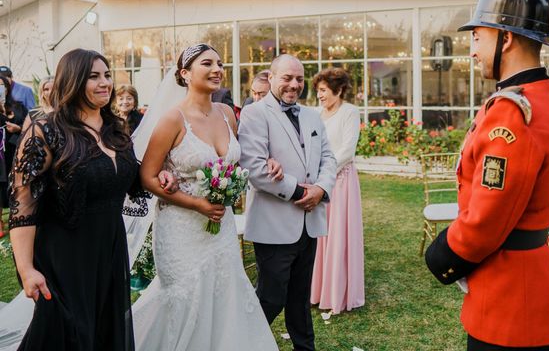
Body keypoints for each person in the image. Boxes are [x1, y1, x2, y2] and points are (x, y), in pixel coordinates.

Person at [425, 0, 549, 350]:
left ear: (505, 38)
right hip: (526, 289)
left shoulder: (514, 113)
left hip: (510, 302)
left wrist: (442, 255)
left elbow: (488, 218)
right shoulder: (541, 100)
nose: (472, 50)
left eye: (478, 36)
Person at [132, 43, 279, 350]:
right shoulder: (172, 119)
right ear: (185, 74)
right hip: (181, 228)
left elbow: (238, 161)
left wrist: (264, 164)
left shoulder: (227, 113)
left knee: (225, 295)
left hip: (219, 228)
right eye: (207, 64)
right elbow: (147, 176)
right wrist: (196, 202)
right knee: (186, 297)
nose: (217, 70)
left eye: (220, 64)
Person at [8, 48, 150, 350]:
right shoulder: (46, 130)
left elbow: (129, 180)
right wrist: (26, 268)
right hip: (65, 254)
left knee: (102, 333)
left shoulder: (115, 131)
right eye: (94, 76)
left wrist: (161, 175)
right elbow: (23, 207)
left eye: (107, 75)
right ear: (72, 80)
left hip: (109, 250)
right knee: (66, 335)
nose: (105, 83)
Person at [238, 54, 337, 351]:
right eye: (287, 78)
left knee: (299, 297)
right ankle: (242, 343)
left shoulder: (311, 115)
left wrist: (320, 189)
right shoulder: (255, 114)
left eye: (299, 79)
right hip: (274, 224)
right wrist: (300, 194)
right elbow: (256, 169)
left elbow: (329, 158)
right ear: (271, 77)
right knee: (271, 297)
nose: (294, 84)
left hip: (309, 224)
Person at [310, 67, 365, 314]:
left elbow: (347, 150)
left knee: (338, 235)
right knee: (320, 236)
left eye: (323, 90)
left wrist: (326, 174)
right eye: (318, 91)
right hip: (320, 180)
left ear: (338, 89)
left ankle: (338, 292)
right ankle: (319, 289)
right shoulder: (315, 114)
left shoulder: (350, 112)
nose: (319, 95)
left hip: (340, 181)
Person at [0, 75, 28, 238]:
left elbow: (29, 128)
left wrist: (17, 129)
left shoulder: (18, 107)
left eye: (2, 85)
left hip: (14, 149)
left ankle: (17, 217)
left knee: (15, 184)